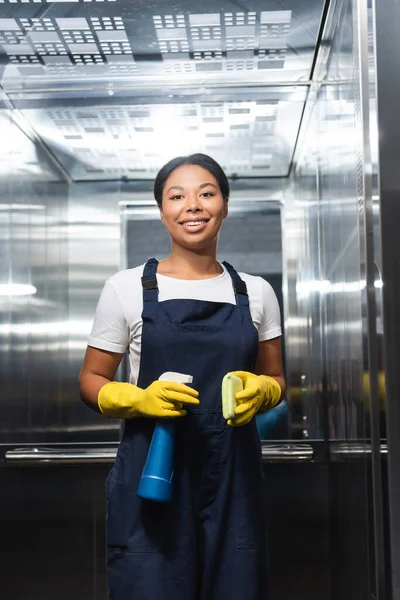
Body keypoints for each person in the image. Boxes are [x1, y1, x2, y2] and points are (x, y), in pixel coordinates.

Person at [79, 153, 286, 600]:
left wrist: (265, 390)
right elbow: (91, 379)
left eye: (206, 193)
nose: (192, 205)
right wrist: (135, 400)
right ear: (162, 210)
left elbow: (276, 377)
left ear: (225, 205)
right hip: (151, 473)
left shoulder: (256, 293)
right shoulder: (127, 289)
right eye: (177, 196)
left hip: (234, 483)